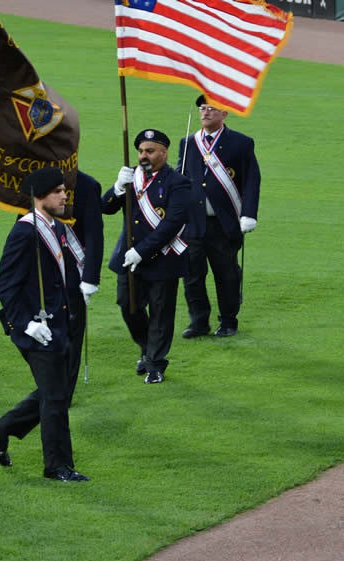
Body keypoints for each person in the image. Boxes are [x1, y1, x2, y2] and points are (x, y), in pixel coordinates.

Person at [0, 167, 88, 482]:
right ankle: (57, 466)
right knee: (56, 398)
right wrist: (27, 324)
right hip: (37, 329)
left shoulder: (53, 226)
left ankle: (2, 429)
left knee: (54, 392)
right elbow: (6, 284)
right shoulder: (25, 231)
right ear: (40, 196)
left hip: (58, 324)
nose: (64, 195)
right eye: (58, 191)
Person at [104, 128, 194, 383]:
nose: (144, 155)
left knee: (161, 312)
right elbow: (106, 207)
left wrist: (141, 251)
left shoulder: (178, 183)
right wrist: (117, 188)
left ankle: (155, 363)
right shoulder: (131, 177)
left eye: (150, 151)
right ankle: (146, 347)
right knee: (128, 306)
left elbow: (173, 223)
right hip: (129, 258)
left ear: (163, 153)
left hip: (163, 258)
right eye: (141, 151)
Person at [176, 94, 260, 338]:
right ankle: (199, 322)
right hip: (193, 223)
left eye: (212, 108)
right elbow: (180, 177)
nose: (205, 112)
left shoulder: (241, 143)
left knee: (227, 274)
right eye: (203, 108)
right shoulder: (188, 142)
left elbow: (251, 182)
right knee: (192, 276)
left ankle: (228, 320)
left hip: (224, 223)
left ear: (225, 113)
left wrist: (249, 214)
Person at [66, 170, 104, 400]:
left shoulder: (87, 185)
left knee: (72, 334)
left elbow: (94, 234)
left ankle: (63, 392)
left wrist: (90, 277)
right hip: (43, 270)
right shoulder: (33, 180)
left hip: (73, 272)